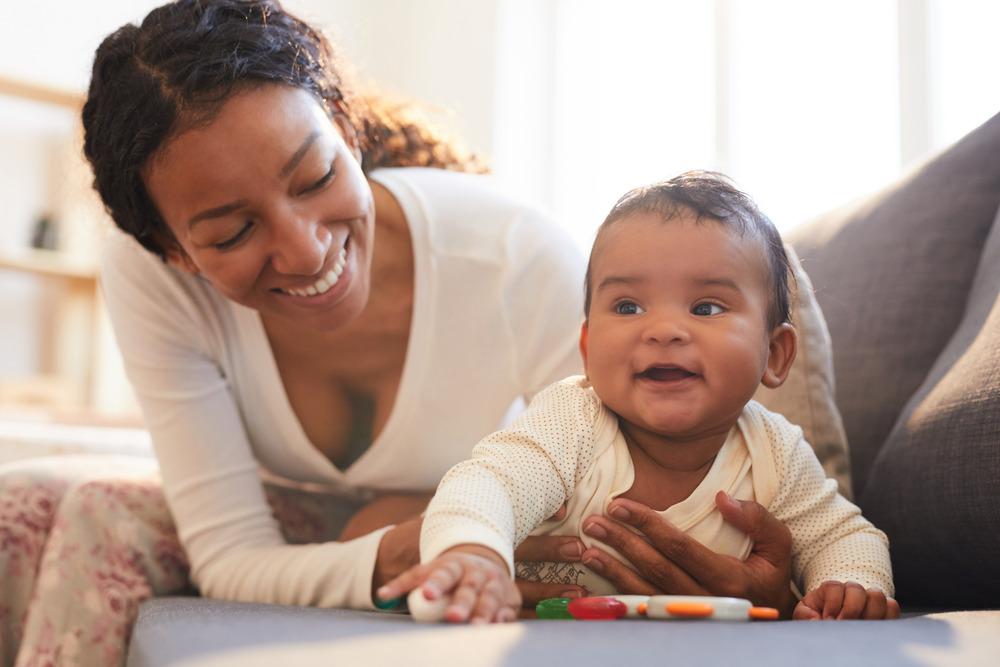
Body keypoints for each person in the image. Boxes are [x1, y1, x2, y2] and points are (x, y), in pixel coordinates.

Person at [0, 2, 827, 665]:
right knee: (33, 502)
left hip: (500, 520)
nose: (304, 247)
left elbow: (625, 501)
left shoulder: (512, 256)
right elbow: (230, 552)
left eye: (317, 177)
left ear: (348, 133)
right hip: (389, 529)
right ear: (174, 252)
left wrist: (764, 575)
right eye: (228, 233)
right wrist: (402, 538)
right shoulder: (146, 273)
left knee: (93, 506)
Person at [379, 172, 901, 624]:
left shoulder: (775, 454)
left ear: (775, 354)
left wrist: (848, 584)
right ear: (587, 347)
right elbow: (488, 483)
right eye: (628, 307)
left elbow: (844, 533)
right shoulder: (572, 421)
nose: (664, 329)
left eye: (706, 307)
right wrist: (473, 553)